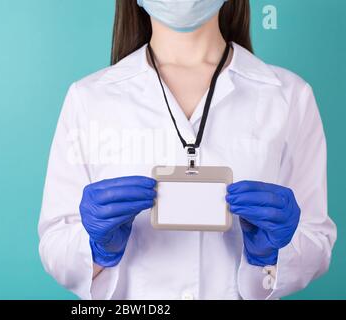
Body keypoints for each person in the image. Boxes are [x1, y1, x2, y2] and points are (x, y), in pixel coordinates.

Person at [38, 0, 336, 300]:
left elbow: (317, 240)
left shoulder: (289, 96)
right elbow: (54, 244)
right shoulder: (89, 98)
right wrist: (96, 249)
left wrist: (273, 253)